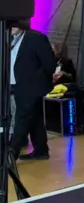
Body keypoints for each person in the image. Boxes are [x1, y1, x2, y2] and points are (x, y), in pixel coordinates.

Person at [9, 21, 56, 160]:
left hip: (31, 88)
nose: (12, 29)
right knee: (35, 118)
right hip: (16, 86)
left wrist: (37, 82)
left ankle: (11, 155)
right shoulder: (9, 38)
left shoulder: (36, 38)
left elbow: (50, 64)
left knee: (21, 119)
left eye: (14, 25)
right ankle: (41, 150)